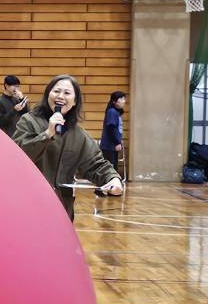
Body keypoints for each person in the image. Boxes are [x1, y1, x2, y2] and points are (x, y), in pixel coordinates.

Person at [11, 75, 124, 220]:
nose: (60, 96)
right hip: (28, 205)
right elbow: (18, 156)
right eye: (56, 91)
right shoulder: (28, 121)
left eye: (67, 93)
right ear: (47, 95)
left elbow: (95, 164)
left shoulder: (79, 135)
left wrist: (113, 179)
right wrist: (47, 134)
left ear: (75, 101)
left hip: (61, 209)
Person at [101, 90, 127, 172]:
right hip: (109, 146)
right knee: (110, 168)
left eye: (124, 99)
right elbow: (111, 128)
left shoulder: (115, 112)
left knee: (113, 167)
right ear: (114, 101)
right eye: (121, 99)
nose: (124, 101)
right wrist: (117, 142)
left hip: (112, 146)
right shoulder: (111, 112)